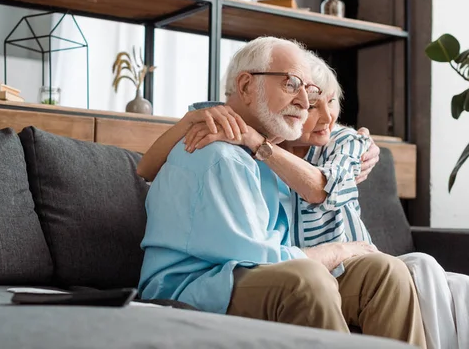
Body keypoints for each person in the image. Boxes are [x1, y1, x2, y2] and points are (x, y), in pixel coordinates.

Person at [138, 36, 427, 348]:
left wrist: (361, 143)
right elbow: (258, 256)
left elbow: (325, 171)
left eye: (310, 90)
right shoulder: (217, 153)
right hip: (196, 284)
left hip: (252, 274)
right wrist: (338, 251)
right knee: (306, 281)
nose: (305, 101)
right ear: (247, 87)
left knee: (386, 274)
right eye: (291, 84)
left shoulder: (267, 151)